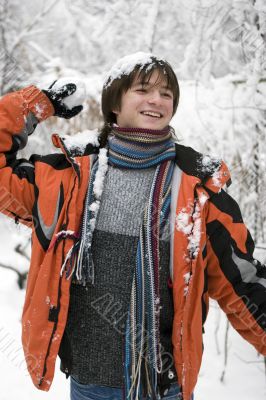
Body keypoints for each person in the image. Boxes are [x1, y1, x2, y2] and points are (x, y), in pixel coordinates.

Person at [0, 52, 265, 400]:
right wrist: (35, 105)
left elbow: (241, 284)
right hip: (87, 384)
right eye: (143, 89)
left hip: (162, 385)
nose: (157, 100)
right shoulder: (66, 178)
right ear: (114, 104)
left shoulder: (198, 189)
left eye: (166, 93)